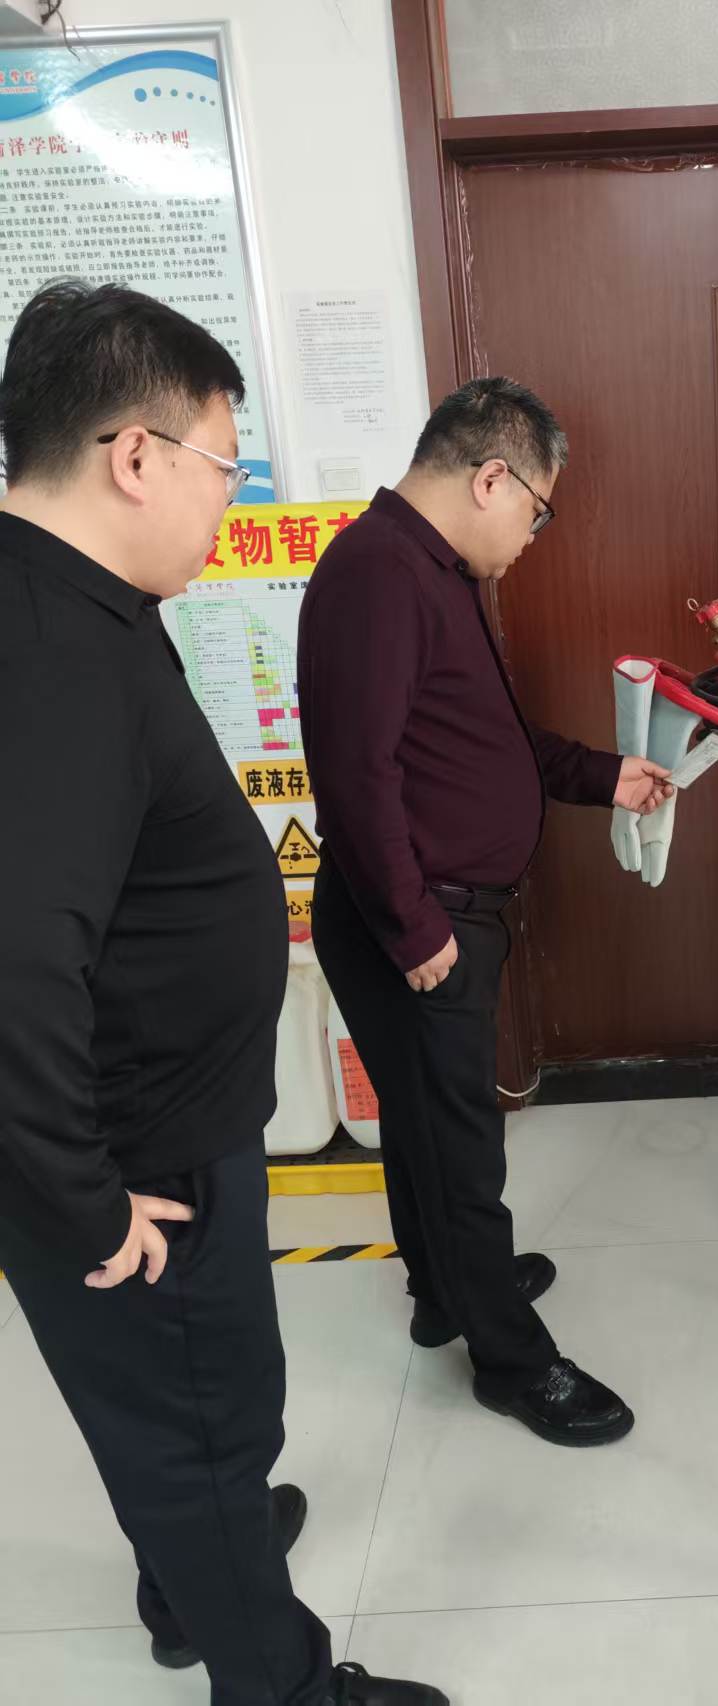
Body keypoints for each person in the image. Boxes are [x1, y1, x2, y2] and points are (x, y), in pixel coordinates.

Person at [0, 280, 446, 1706]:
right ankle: (279, 1678)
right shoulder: (53, 653)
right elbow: (15, 956)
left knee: (170, 1424)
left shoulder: (71, 601)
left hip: (146, 1122)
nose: (228, 500)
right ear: (135, 454)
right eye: (223, 465)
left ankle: (192, 1572)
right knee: (205, 1423)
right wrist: (86, 1203)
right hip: (141, 1163)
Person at [299, 378, 669, 1448]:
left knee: (425, 1125)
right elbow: (354, 776)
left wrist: (603, 776)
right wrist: (415, 929)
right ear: (492, 477)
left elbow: (487, 740)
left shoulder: (434, 570)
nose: (532, 536)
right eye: (538, 511)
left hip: (435, 910)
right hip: (417, 921)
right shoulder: (378, 573)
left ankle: (442, 1289)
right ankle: (512, 1361)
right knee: (462, 1146)